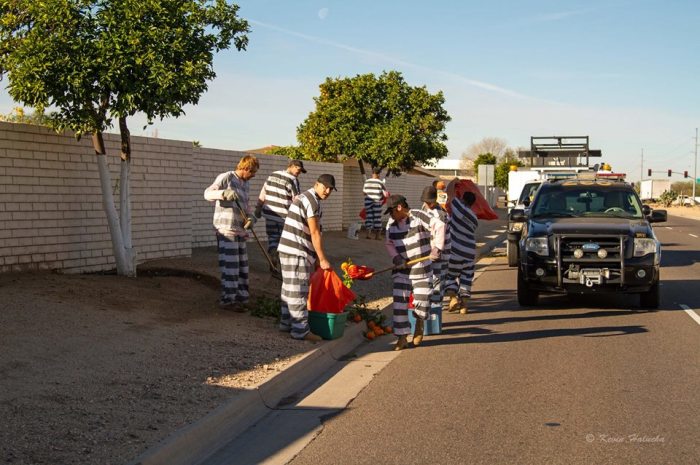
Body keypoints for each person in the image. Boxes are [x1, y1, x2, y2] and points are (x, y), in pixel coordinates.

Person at [277, 174, 337, 341]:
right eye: (325, 187)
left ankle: (286, 323)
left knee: (289, 287)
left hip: (288, 248)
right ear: (316, 184)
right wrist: (322, 258)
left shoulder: (306, 197)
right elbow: (314, 232)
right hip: (297, 250)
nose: (327, 191)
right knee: (299, 290)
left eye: (330, 189)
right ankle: (300, 330)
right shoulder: (311, 201)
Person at [204, 155, 260, 311]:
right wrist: (223, 194)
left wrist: (251, 218)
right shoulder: (226, 177)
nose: (253, 176)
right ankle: (228, 300)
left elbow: (246, 206)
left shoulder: (245, 185)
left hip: (240, 231)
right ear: (246, 168)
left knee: (242, 266)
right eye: (253, 172)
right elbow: (207, 194)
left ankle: (242, 298)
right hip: (226, 230)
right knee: (231, 267)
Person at [384, 194, 433, 350]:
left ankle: (419, 322)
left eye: (392, 211)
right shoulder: (391, 225)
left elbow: (439, 227)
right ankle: (402, 337)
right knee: (399, 304)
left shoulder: (419, 217)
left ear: (399, 207)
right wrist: (397, 258)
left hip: (422, 268)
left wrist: (437, 248)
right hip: (402, 271)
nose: (391, 215)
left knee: (422, 302)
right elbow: (389, 244)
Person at [254, 159, 306, 276]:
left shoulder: (272, 175)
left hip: (269, 214)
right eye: (298, 170)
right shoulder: (292, 180)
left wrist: (258, 208)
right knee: (284, 242)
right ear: (291, 166)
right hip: (284, 217)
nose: (299, 173)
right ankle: (283, 268)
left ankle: (273, 259)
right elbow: (296, 200)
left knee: (273, 238)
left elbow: (263, 193)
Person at [417, 186, 451, 317]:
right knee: (427, 282)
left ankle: (435, 315)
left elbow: (441, 236)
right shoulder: (423, 210)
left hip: (440, 254)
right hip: (427, 253)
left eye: (429, 201)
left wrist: (437, 250)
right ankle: (428, 312)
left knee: (437, 283)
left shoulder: (441, 214)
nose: (427, 204)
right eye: (425, 201)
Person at [444, 191, 478, 314]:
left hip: (455, 251)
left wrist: (455, 182)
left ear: (463, 199)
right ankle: (464, 305)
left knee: (449, 276)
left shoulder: (458, 208)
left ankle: (453, 298)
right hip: (469, 252)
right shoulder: (474, 218)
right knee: (466, 278)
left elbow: (449, 192)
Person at [363, 167, 388, 239]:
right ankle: (377, 236)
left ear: (372, 173)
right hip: (377, 202)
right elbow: (385, 194)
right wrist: (381, 196)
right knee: (377, 218)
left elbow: (364, 192)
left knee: (369, 217)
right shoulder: (380, 182)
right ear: (378, 174)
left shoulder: (367, 181)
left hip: (368, 202)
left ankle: (368, 235)